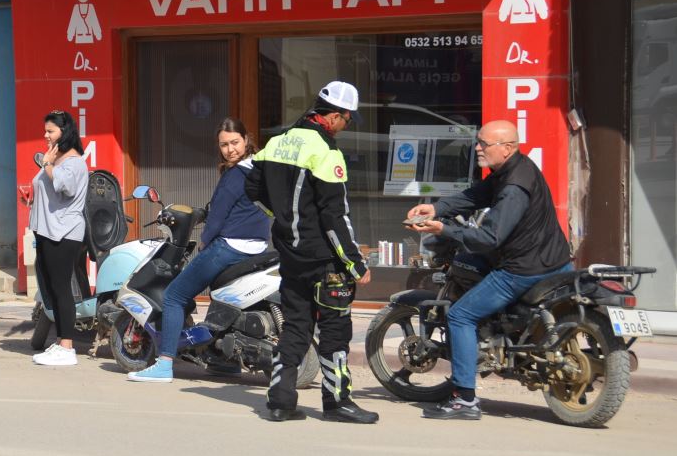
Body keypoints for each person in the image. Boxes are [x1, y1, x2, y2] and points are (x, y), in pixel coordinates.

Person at [407, 119, 572, 420]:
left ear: (507, 148)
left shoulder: (513, 187)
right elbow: (475, 196)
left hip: (524, 269)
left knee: (460, 315)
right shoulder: (513, 170)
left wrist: (444, 229)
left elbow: (488, 238)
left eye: (484, 144)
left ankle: (464, 400)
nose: (478, 148)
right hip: (557, 261)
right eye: (478, 141)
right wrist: (437, 208)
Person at [245, 81, 378, 424]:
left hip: (291, 254)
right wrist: (355, 262)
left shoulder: (277, 142)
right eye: (346, 119)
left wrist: (283, 218)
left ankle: (280, 401)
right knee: (335, 332)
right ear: (333, 116)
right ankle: (337, 403)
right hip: (325, 260)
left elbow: (253, 190)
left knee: (295, 327)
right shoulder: (326, 152)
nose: (345, 126)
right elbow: (334, 216)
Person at [127, 117, 271, 383]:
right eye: (224, 145)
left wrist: (204, 241)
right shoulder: (260, 168)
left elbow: (217, 218)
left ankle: (164, 364)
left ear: (246, 140)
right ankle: (225, 361)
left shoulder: (235, 175)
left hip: (229, 247)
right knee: (220, 296)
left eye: (235, 142)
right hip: (258, 247)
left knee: (174, 296)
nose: (230, 150)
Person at [29, 110, 90, 366]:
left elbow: (66, 187)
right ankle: (60, 342)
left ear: (64, 133)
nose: (46, 135)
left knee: (62, 288)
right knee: (52, 288)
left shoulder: (73, 162)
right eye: (45, 130)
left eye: (50, 131)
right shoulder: (57, 158)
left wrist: (47, 165)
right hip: (47, 231)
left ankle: (67, 347)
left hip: (63, 232)